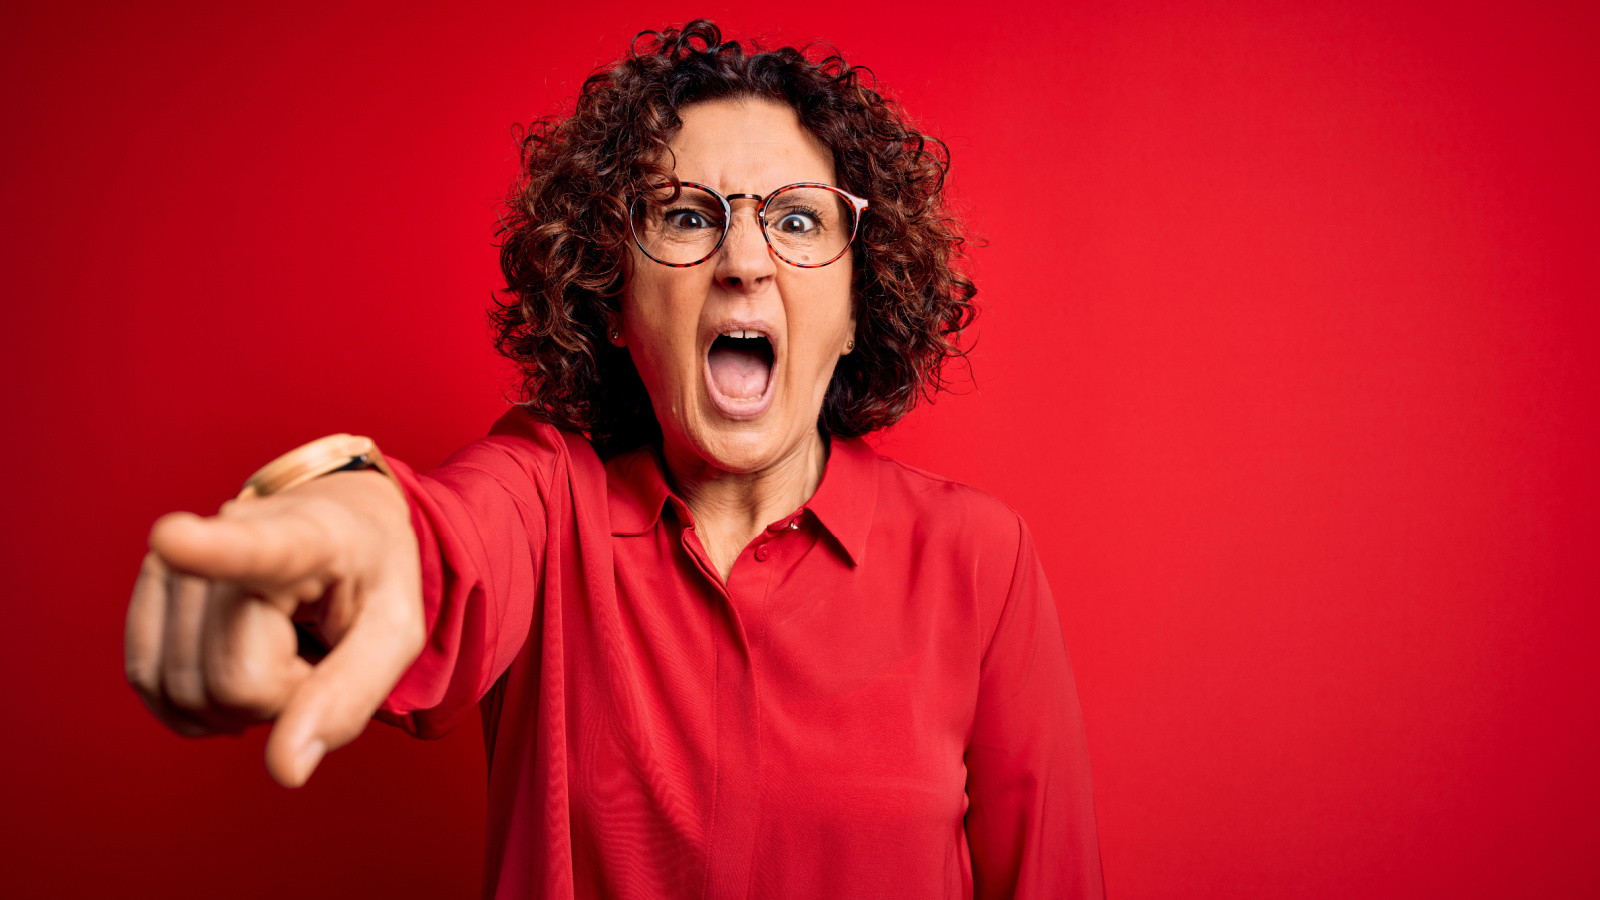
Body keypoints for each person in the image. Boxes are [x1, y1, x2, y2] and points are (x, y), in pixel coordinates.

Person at [122, 21, 1105, 900]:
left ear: (858, 310)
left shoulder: (979, 559)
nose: (745, 261)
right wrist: (338, 525)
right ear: (615, 304)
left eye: (798, 219)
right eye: (685, 215)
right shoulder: (546, 503)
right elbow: (438, 545)